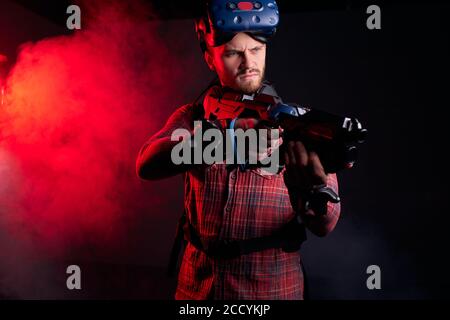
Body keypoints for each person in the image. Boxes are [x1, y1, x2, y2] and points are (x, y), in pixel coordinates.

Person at [136, 0, 340, 300]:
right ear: (210, 58)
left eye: (256, 50)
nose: (248, 63)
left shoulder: (297, 124)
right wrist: (224, 138)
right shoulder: (193, 116)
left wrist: (312, 191)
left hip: (271, 292)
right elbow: (147, 163)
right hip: (197, 290)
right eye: (233, 53)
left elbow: (327, 222)